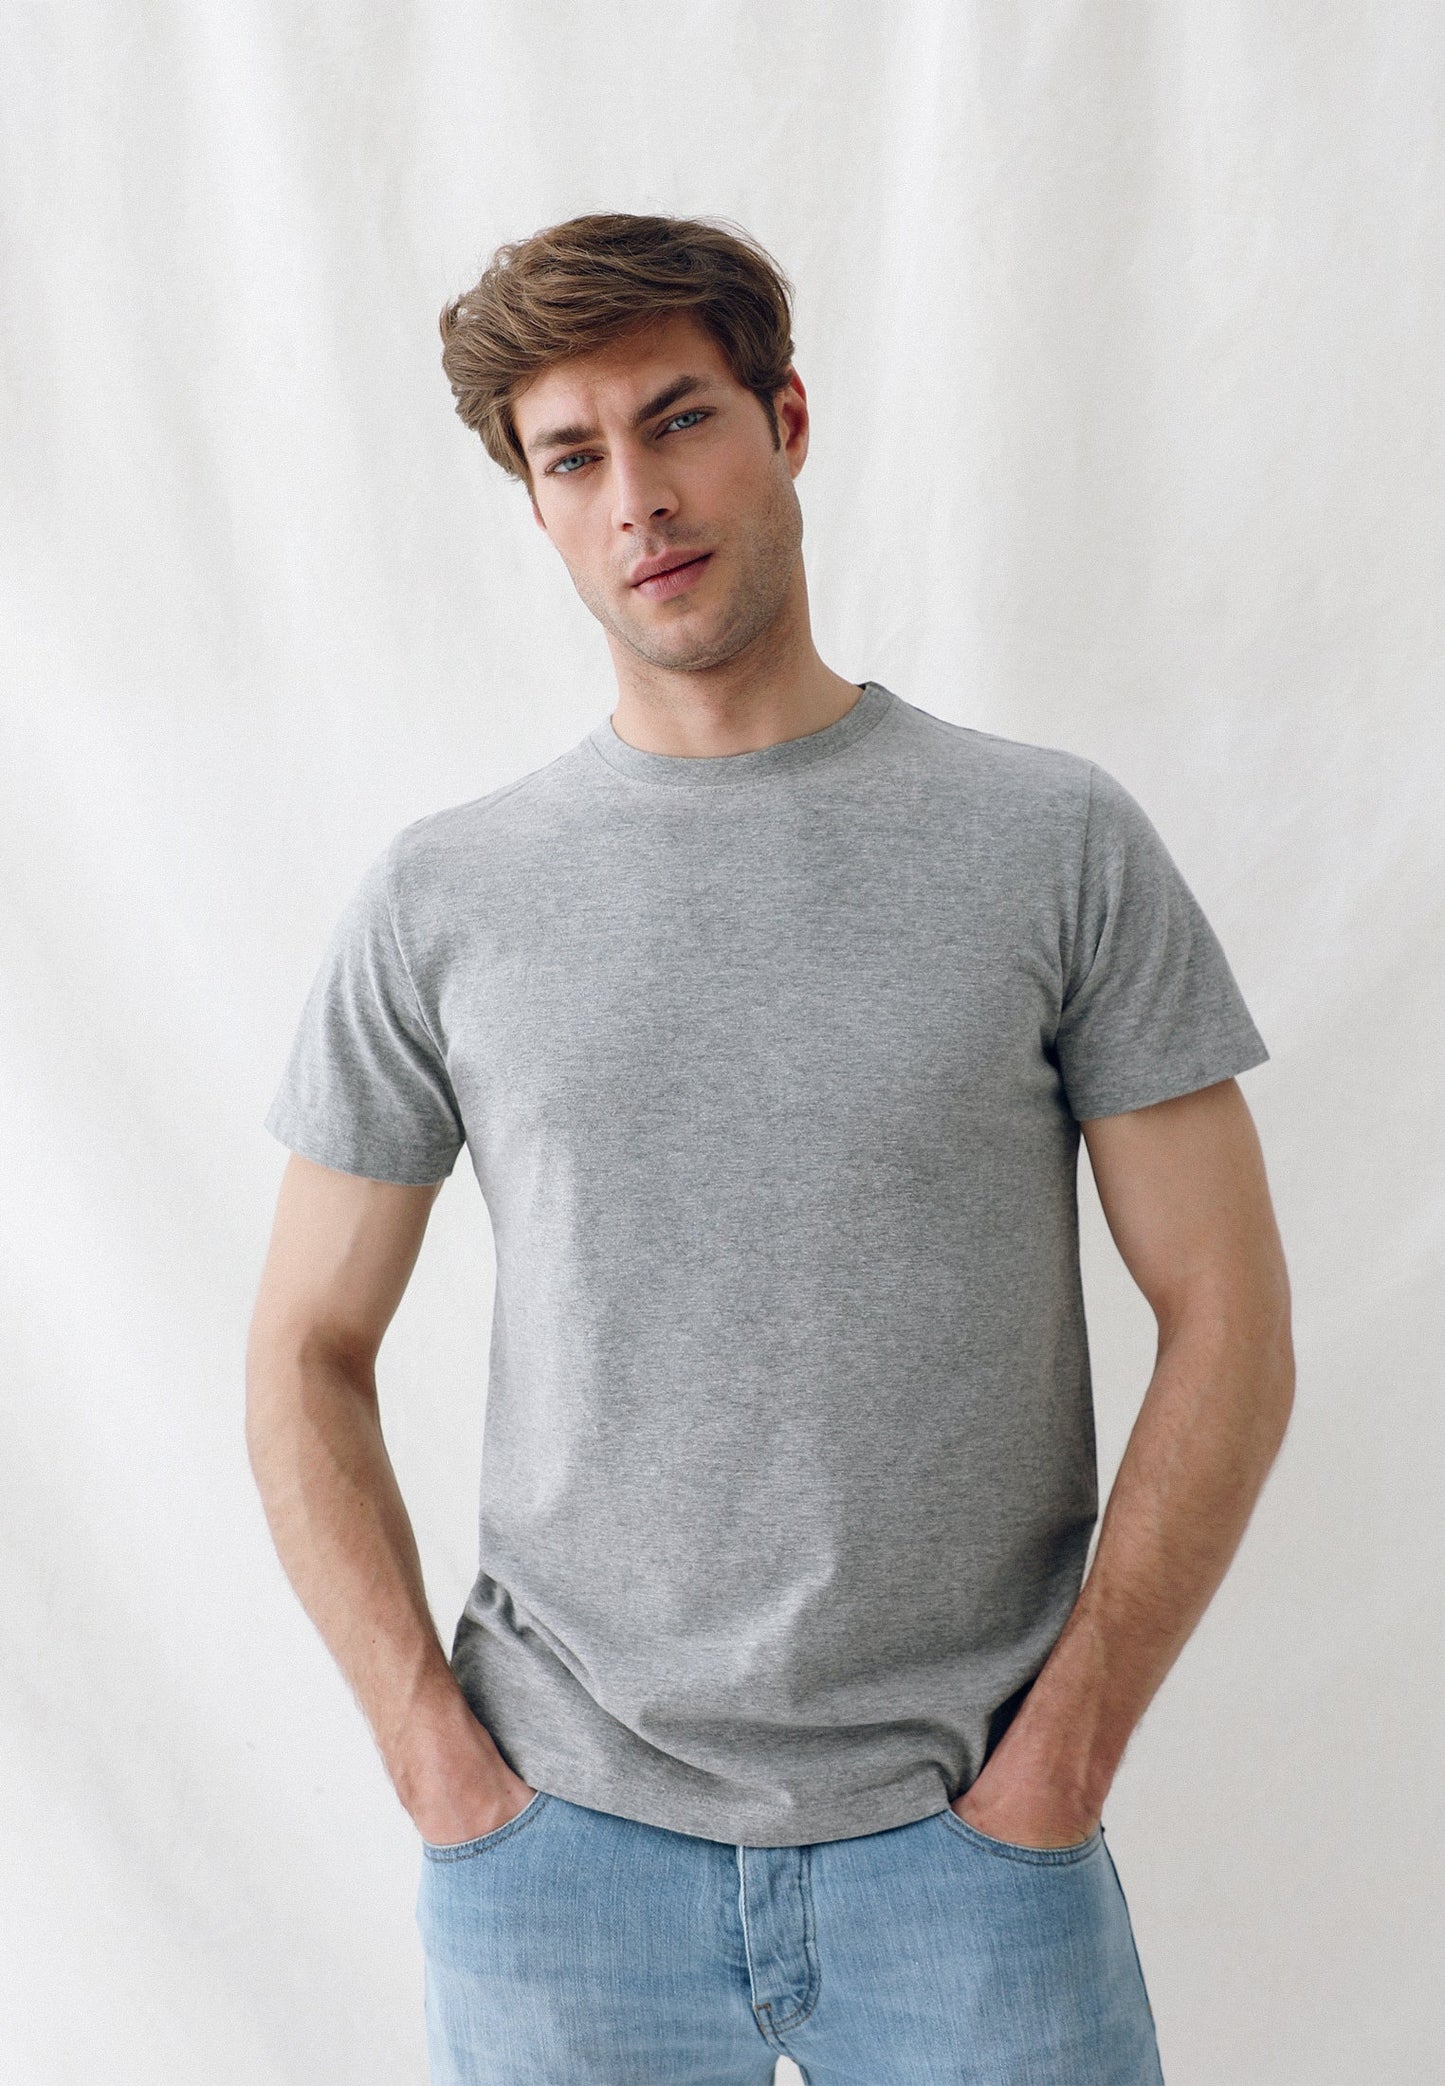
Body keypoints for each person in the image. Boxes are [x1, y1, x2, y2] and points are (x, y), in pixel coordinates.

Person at [246, 212, 1294, 2085]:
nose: (638, 498)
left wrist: (1063, 1754)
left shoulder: (1050, 843)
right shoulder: (443, 898)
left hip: (973, 1846)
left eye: (678, 420)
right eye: (572, 458)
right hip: (562, 1858)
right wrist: (435, 1758)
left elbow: (1228, 1317)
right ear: (537, 506)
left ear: (785, 419)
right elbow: (301, 1351)